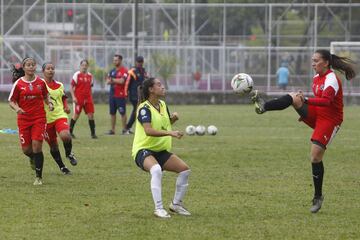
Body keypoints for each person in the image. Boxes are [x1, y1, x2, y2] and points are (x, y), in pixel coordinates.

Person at [251, 49, 356, 213]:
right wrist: (304, 99)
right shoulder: (316, 77)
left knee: (315, 157)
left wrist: (307, 100)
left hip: (330, 120)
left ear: (326, 62)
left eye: (316, 61)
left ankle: (318, 196)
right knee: (294, 97)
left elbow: (327, 101)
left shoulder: (332, 79)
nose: (313, 64)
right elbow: (317, 99)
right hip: (317, 114)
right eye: (312, 60)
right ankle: (264, 106)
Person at [132, 77, 191, 218]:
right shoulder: (144, 108)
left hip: (159, 150)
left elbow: (164, 124)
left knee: (185, 170)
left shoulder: (163, 104)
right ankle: (158, 208)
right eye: (159, 85)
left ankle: (176, 204)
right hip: (143, 150)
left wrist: (173, 120)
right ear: (151, 90)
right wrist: (171, 133)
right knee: (156, 170)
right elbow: (148, 130)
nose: (163, 87)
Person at [8, 57, 54, 185]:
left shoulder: (40, 82)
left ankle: (38, 177)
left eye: (33, 65)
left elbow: (45, 95)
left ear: (35, 67)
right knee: (27, 150)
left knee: (37, 146)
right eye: (28, 65)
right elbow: (11, 101)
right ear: (23, 67)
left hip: (39, 118)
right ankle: (33, 159)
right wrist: (17, 109)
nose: (31, 67)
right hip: (23, 119)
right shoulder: (18, 84)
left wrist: (49, 103)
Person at [42, 62, 78, 174]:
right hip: (45, 119)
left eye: (52, 68)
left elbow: (62, 97)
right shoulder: (39, 84)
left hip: (59, 114)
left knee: (65, 135)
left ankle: (69, 153)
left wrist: (66, 106)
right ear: (43, 71)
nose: (50, 70)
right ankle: (62, 167)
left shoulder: (59, 85)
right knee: (53, 146)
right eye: (48, 68)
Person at [69, 59, 98, 139]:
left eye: (86, 65)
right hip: (78, 99)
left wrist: (90, 98)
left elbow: (90, 87)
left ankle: (93, 134)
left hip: (88, 99)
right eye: (83, 65)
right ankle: (70, 132)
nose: (84, 67)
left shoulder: (90, 76)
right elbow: (71, 87)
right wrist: (73, 97)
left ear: (87, 66)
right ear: (80, 66)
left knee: (91, 115)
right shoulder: (77, 75)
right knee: (76, 115)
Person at [105, 54, 129, 135]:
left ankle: (124, 130)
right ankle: (112, 130)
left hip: (120, 95)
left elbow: (122, 81)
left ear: (120, 61)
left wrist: (112, 79)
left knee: (122, 112)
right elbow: (108, 81)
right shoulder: (112, 71)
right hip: (112, 95)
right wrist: (115, 80)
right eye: (114, 60)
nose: (115, 62)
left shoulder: (124, 71)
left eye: (116, 60)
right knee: (112, 113)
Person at [124, 55, 148, 133]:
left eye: (141, 62)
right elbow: (127, 83)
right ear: (136, 62)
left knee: (138, 110)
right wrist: (125, 93)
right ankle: (128, 127)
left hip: (142, 95)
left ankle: (129, 127)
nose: (140, 63)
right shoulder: (132, 71)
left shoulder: (144, 71)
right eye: (138, 62)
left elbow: (146, 81)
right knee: (137, 110)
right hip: (134, 95)